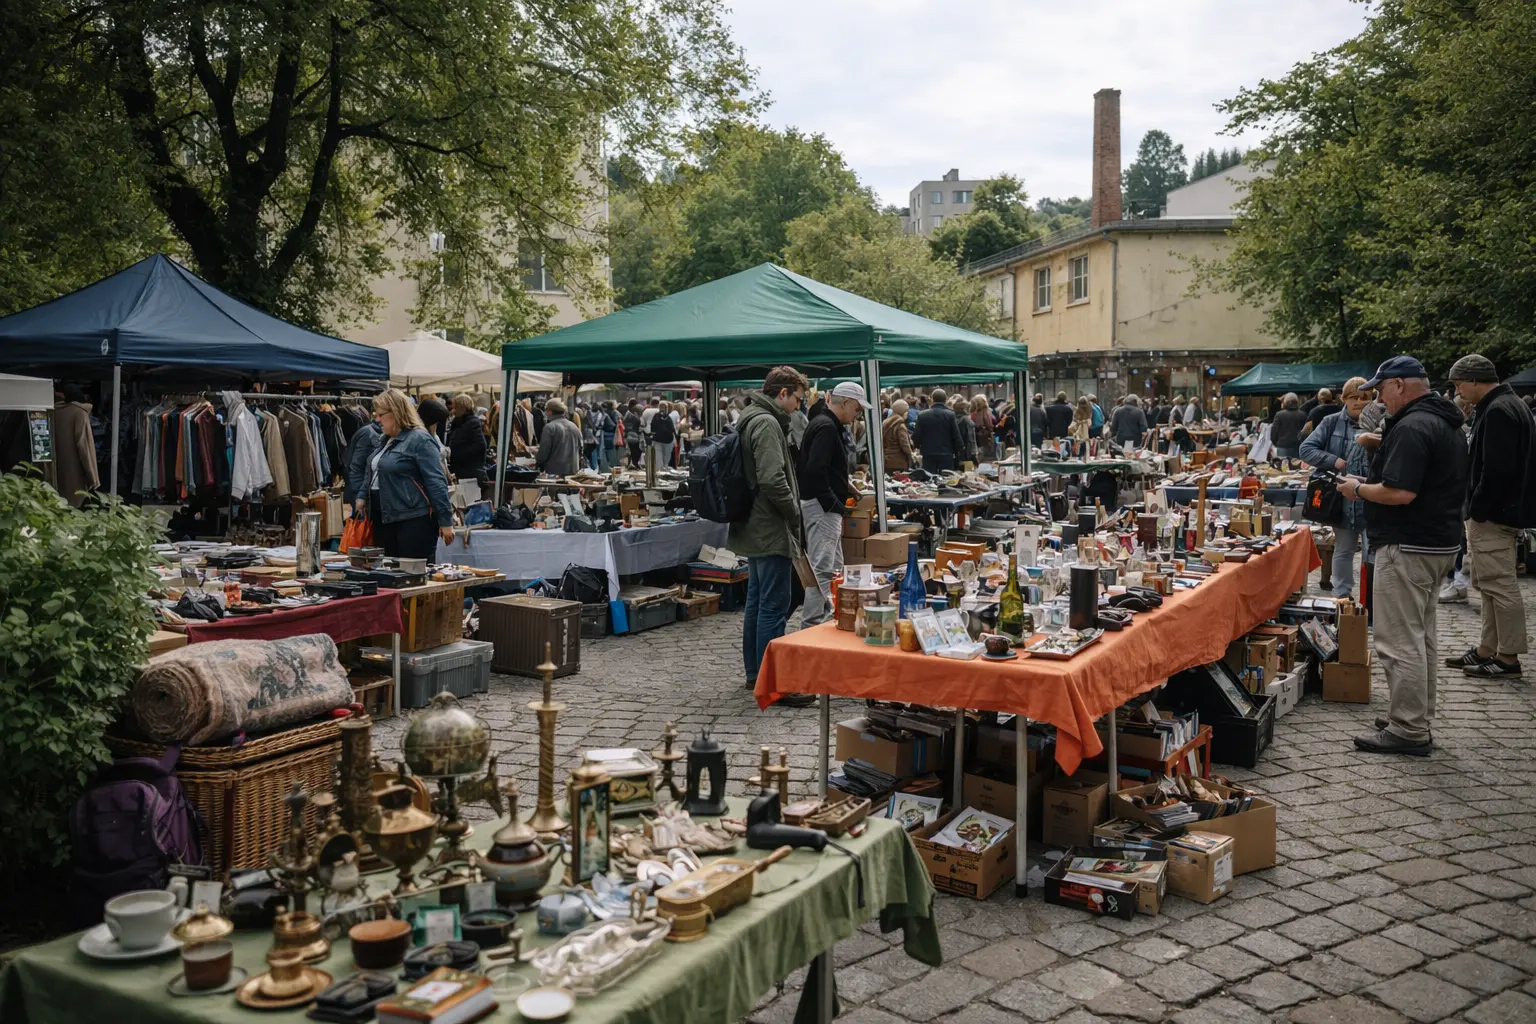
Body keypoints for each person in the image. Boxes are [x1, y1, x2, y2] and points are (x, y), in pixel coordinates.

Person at [1336, 357, 1468, 755]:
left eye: (1380, 389)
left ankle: (1408, 728)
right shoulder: (1445, 421)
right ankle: (1413, 713)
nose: (1377, 397)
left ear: (1398, 385)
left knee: (1398, 639)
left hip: (1409, 544)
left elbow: (1401, 493)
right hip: (1438, 541)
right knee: (1422, 633)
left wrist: (1358, 490)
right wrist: (1369, 483)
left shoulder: (1413, 425)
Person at [1445, 354, 1535, 677]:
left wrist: (1478, 510)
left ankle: (1507, 658)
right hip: (1497, 512)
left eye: (1459, 384)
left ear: (1474, 379)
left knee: (1499, 584)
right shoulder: (1506, 405)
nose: (1458, 392)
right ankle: (1488, 649)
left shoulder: (1498, 410)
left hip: (1493, 515)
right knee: (1488, 584)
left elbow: (1496, 470)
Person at [733, 366, 809, 701]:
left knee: (758, 601)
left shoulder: (754, 416)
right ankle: (771, 683)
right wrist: (793, 510)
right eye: (797, 399)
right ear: (783, 393)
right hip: (769, 524)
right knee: (772, 606)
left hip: (756, 523)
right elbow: (771, 478)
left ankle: (755, 675)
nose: (798, 406)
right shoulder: (765, 422)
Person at [796, 382, 869, 628]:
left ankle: (829, 619)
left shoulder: (825, 423)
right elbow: (816, 469)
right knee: (824, 569)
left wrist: (845, 486)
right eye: (857, 409)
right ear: (846, 403)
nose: (857, 414)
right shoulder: (827, 427)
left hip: (822, 505)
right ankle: (812, 624)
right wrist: (832, 503)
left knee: (833, 567)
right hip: (822, 506)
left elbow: (822, 466)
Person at [363, 389, 455, 560]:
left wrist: (445, 520)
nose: (377, 419)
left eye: (381, 414)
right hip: (384, 516)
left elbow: (436, 482)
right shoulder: (385, 440)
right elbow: (372, 472)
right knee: (389, 575)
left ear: (396, 413)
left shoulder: (420, 439)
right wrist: (362, 497)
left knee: (413, 573)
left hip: (412, 519)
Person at [1301, 377, 1371, 598]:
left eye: (1365, 397)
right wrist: (1335, 461)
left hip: (1373, 495)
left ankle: (1370, 598)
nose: (1359, 402)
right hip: (1342, 497)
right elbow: (1306, 449)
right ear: (1344, 399)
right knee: (1344, 548)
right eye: (1354, 397)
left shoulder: (1381, 422)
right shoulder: (1331, 422)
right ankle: (1342, 596)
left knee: (1373, 553)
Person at [446, 393, 488, 495]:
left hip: (471, 475)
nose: (453, 410)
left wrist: (455, 454)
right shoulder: (457, 423)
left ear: (462, 407)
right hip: (461, 473)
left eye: (455, 407)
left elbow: (480, 446)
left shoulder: (472, 423)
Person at [913, 388, 964, 471]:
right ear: (945, 399)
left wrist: (917, 446)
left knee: (929, 480)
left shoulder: (922, 415)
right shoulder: (950, 415)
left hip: (928, 453)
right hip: (946, 453)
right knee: (946, 479)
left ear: (932, 399)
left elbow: (917, 435)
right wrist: (957, 451)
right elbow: (956, 435)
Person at [534, 397, 583, 477]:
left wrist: (538, 462)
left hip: (554, 473)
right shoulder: (574, 426)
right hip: (573, 472)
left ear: (549, 411)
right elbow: (581, 449)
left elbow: (544, 452)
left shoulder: (549, 427)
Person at [1270, 393, 1306, 459]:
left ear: (1285, 403)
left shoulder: (1279, 415)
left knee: (1282, 467)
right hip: (1297, 447)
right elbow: (1305, 433)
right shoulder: (1303, 415)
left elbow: (1274, 432)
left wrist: (1277, 443)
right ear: (1297, 403)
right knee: (1297, 467)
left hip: (1282, 447)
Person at [883, 399, 913, 470]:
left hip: (886, 461)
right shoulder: (900, 425)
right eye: (906, 411)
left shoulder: (885, 423)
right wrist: (911, 457)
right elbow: (905, 445)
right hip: (899, 462)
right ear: (903, 412)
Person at [648, 397, 676, 467]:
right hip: (664, 440)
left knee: (662, 458)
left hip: (661, 439)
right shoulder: (667, 417)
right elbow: (672, 428)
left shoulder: (658, 416)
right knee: (663, 458)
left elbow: (652, 426)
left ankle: (662, 469)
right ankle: (662, 469)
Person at [951, 394, 978, 465]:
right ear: (964, 408)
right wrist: (974, 454)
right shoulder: (967, 420)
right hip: (966, 453)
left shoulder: (951, 419)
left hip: (953, 452)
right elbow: (971, 440)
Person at [971, 395, 997, 462]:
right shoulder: (986, 412)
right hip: (984, 439)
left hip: (974, 439)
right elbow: (990, 425)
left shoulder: (971, 413)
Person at [623, 401, 644, 466]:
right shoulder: (635, 417)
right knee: (636, 451)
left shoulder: (628, 415)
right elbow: (639, 426)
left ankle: (632, 463)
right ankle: (634, 463)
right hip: (634, 436)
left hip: (630, 435)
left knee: (632, 451)